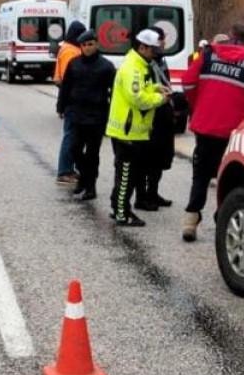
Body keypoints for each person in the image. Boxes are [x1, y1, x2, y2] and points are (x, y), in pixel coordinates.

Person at [181, 20, 244, 242]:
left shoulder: (209, 54)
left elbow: (187, 82)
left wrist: (198, 104)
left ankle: (191, 217)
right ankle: (223, 216)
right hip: (235, 131)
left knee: (201, 173)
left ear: (230, 33)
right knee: (229, 175)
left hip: (205, 124)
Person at [106, 28, 170, 227]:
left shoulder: (140, 65)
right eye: (153, 50)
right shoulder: (133, 68)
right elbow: (137, 98)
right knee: (127, 175)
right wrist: (160, 99)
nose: (155, 55)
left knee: (127, 173)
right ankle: (122, 213)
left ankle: (118, 206)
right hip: (127, 131)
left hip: (133, 130)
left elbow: (142, 88)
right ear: (142, 47)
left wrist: (155, 88)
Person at [56, 30, 115, 201]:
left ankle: (90, 186)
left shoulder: (106, 66)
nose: (87, 48)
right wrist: (61, 106)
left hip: (96, 116)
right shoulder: (74, 64)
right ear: (80, 46)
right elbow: (66, 87)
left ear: (96, 44)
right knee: (74, 149)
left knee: (92, 154)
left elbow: (114, 92)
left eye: (90, 44)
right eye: (84, 45)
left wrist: (111, 115)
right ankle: (83, 178)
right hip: (76, 114)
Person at [136, 27, 175, 211]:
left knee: (160, 158)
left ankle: (153, 191)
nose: (164, 43)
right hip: (152, 115)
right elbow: (144, 91)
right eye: (161, 40)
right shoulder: (145, 63)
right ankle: (142, 196)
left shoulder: (160, 59)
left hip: (163, 113)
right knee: (147, 159)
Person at [53, 19, 86, 184]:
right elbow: (69, 78)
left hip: (70, 97)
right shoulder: (70, 51)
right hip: (72, 99)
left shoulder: (68, 48)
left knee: (73, 136)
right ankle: (64, 171)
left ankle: (69, 169)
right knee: (70, 136)